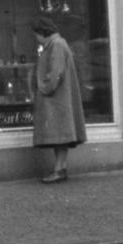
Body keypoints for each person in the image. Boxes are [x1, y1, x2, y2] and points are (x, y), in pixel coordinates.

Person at [32, 12, 85, 184]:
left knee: (60, 134)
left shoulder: (55, 44)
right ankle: (59, 169)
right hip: (59, 97)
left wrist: (45, 89)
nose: (35, 37)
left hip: (56, 98)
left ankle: (59, 170)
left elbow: (56, 71)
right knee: (60, 135)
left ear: (42, 32)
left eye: (36, 33)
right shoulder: (57, 43)